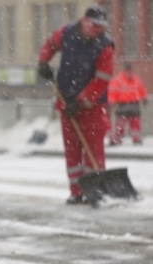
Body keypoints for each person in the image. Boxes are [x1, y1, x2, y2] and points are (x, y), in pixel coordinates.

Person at [37, 5, 114, 205]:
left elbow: (101, 81)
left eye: (101, 26)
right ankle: (76, 191)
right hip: (65, 100)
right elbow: (50, 45)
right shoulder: (67, 33)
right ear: (84, 21)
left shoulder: (105, 46)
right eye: (94, 25)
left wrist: (81, 102)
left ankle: (93, 189)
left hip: (93, 107)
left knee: (93, 149)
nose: (98, 30)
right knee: (72, 149)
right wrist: (43, 61)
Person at [108, 62, 147, 146]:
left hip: (134, 105)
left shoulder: (136, 80)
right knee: (120, 125)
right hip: (122, 105)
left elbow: (141, 90)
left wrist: (144, 98)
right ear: (124, 70)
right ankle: (117, 138)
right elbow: (112, 92)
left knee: (135, 123)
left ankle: (136, 138)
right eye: (127, 70)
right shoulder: (118, 80)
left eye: (130, 70)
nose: (129, 72)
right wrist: (112, 102)